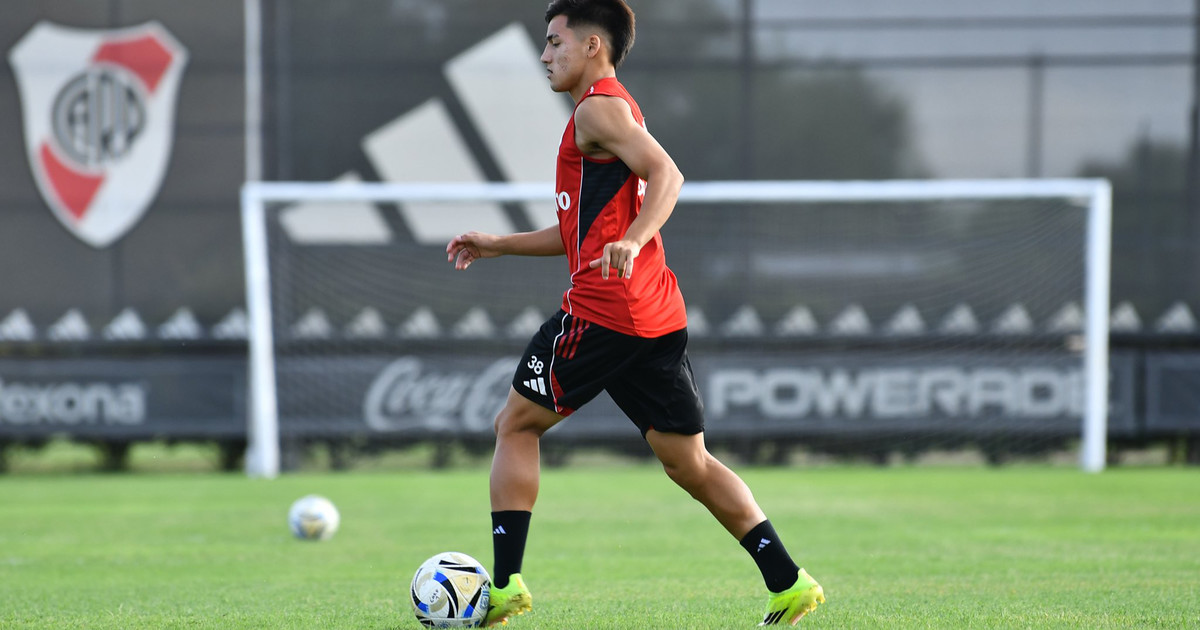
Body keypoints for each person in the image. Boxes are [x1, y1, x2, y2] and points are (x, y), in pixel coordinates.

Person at [445, 0, 824, 625]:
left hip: (603, 311)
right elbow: (580, 231)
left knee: (514, 426)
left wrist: (635, 238)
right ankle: (789, 583)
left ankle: (506, 585)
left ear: (593, 45)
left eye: (555, 42)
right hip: (654, 316)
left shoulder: (596, 110)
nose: (545, 55)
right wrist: (499, 243)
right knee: (688, 463)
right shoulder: (617, 110)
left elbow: (668, 175)